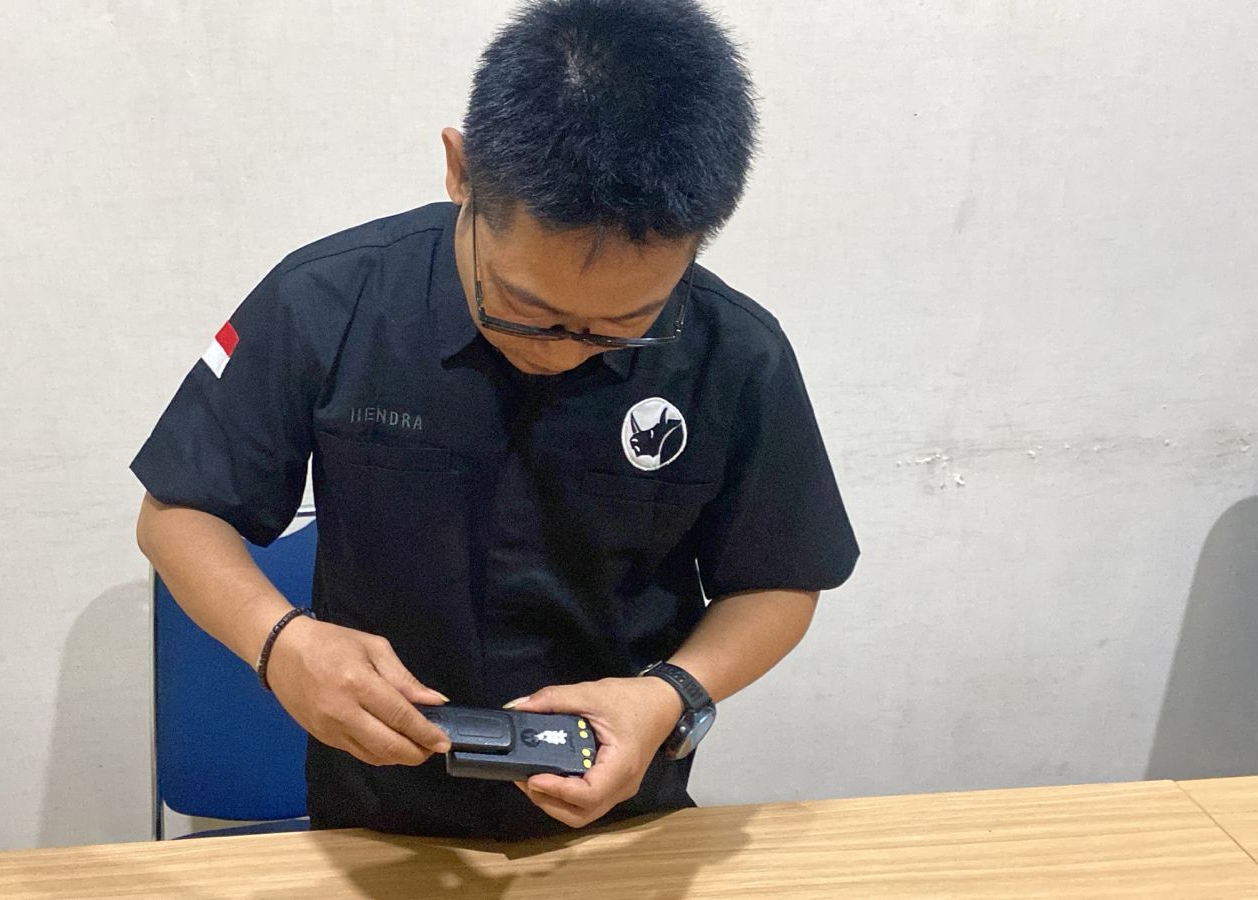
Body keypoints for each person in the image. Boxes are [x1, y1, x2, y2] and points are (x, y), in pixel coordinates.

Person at [133, 0, 858, 840]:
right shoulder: (328, 301)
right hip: (375, 818)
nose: (566, 350)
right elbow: (177, 513)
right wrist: (282, 644)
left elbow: (779, 580)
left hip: (620, 820)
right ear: (462, 171)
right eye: (527, 309)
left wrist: (671, 694)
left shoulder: (736, 351)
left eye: (622, 326)